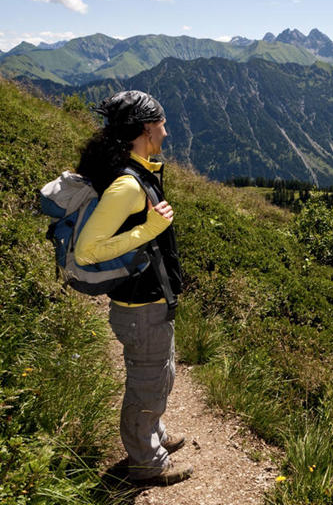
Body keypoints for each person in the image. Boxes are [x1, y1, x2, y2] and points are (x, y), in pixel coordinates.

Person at [74, 90, 193, 486]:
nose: (166, 128)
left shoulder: (140, 170)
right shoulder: (128, 185)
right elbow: (87, 251)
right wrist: (148, 229)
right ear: (146, 128)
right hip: (140, 307)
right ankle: (146, 461)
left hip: (151, 301)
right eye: (161, 122)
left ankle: (154, 437)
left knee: (160, 376)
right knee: (146, 384)